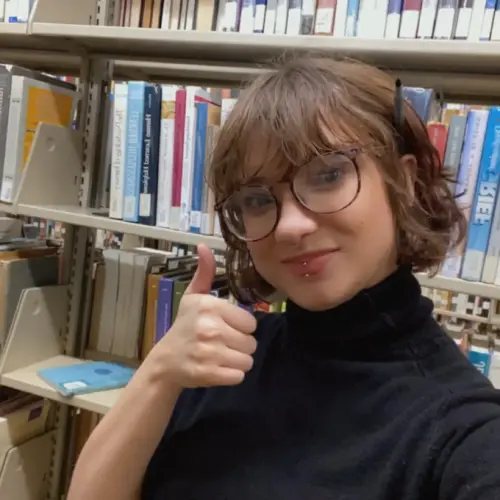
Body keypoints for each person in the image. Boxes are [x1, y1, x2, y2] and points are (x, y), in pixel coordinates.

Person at [67, 56, 500, 500]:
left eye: (329, 175)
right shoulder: (222, 360)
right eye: (257, 199)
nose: (291, 226)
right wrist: (158, 373)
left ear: (403, 181)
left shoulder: (464, 429)